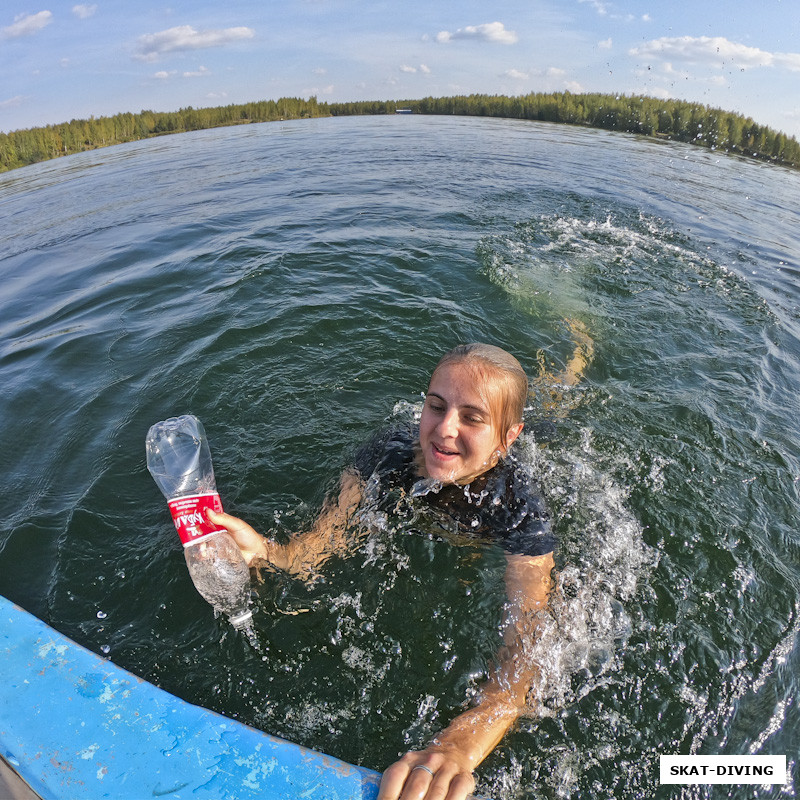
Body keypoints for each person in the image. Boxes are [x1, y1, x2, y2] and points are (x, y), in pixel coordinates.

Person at [207, 330, 592, 800]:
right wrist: (266, 551)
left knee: (557, 407)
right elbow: (320, 544)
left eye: (471, 417)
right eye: (436, 406)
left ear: (506, 438)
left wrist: (459, 745)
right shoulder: (389, 453)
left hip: (519, 464)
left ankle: (577, 355)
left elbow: (526, 648)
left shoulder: (519, 507)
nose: (444, 429)